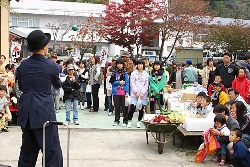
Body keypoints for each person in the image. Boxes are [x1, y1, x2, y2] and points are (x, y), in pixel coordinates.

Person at [17, 30, 63, 167]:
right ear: (44, 46)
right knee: (51, 150)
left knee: (27, 151)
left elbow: (21, 86)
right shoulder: (51, 66)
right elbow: (57, 84)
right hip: (43, 110)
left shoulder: (22, 65)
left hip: (26, 110)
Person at [128, 59, 149, 128]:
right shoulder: (133, 73)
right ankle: (129, 121)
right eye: (139, 64)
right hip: (134, 94)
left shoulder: (146, 74)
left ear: (143, 65)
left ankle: (139, 121)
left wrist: (142, 94)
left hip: (143, 95)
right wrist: (136, 92)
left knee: (141, 108)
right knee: (132, 108)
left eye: (141, 64)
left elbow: (146, 85)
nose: (140, 65)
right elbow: (132, 83)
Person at [110, 58, 129, 126]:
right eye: (118, 64)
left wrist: (127, 92)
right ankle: (116, 120)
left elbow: (126, 83)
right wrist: (119, 82)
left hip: (123, 92)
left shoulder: (125, 73)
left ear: (123, 65)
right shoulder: (114, 73)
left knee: (124, 107)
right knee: (117, 107)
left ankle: (125, 120)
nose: (119, 65)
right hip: (116, 92)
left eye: (121, 64)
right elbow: (112, 82)